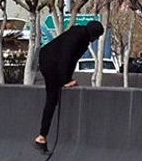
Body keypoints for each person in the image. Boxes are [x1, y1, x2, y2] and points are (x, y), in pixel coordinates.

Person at [33, 20, 104, 153]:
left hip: (50, 60)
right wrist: (65, 80)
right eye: (97, 37)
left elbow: (71, 61)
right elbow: (66, 57)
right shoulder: (78, 37)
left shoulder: (81, 36)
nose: (96, 40)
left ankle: (42, 137)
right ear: (94, 34)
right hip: (50, 62)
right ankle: (41, 137)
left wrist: (68, 79)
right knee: (52, 99)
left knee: (53, 98)